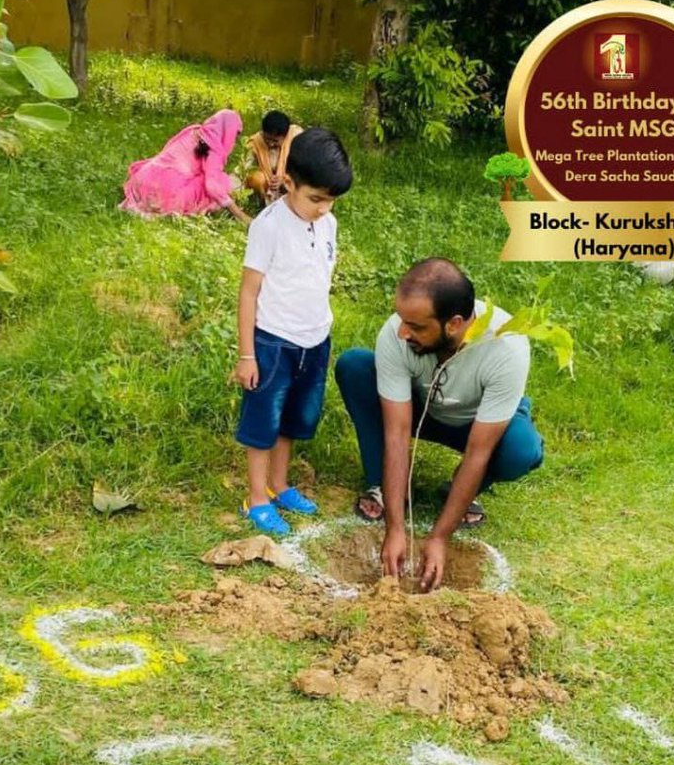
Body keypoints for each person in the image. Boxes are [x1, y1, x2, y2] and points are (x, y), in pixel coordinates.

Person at [334, 258, 544, 591]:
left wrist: (439, 537)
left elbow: (479, 451)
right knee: (356, 367)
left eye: (416, 327)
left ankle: (461, 491)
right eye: (403, 321)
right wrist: (396, 528)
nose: (404, 332)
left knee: (522, 450)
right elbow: (398, 432)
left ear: (454, 324)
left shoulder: (507, 347)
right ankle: (383, 488)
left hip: (477, 425)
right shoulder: (396, 333)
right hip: (422, 411)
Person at [232, 128, 353, 536]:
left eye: (331, 199)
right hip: (272, 342)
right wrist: (247, 354)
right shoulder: (268, 226)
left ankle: (279, 484)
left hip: (314, 340)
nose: (324, 208)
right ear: (289, 182)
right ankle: (257, 497)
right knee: (263, 421)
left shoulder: (328, 223)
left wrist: (316, 323)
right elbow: (249, 293)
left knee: (295, 419)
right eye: (315, 198)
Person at [120, 108, 251, 225]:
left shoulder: (194, 130)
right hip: (165, 191)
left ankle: (142, 202)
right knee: (223, 182)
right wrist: (240, 215)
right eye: (235, 134)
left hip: (143, 179)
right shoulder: (214, 149)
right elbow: (212, 186)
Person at [243, 110, 304, 207]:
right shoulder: (255, 142)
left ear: (285, 136)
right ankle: (263, 206)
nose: (271, 144)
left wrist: (285, 178)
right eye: (268, 139)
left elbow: (304, 163)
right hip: (267, 185)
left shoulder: (295, 135)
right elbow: (244, 168)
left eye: (275, 141)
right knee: (256, 178)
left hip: (290, 180)